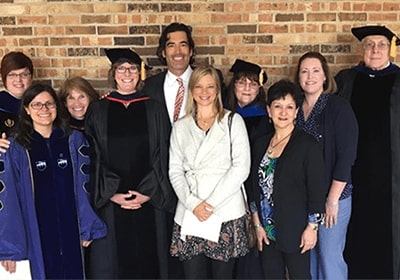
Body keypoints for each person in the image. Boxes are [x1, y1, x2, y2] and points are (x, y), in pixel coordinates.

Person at [84, 48, 176, 279]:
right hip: (111, 203)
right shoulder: (98, 109)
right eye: (121, 69)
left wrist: (148, 192)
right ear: (113, 73)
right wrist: (111, 193)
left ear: (140, 73)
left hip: (149, 202)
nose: (127, 73)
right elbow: (93, 155)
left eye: (133, 68)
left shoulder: (154, 108)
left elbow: (163, 153)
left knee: (151, 262)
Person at [0, 83, 107, 279]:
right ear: (27, 110)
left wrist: (86, 226)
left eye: (49, 104)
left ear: (57, 107)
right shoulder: (16, 148)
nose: (44, 110)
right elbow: (9, 199)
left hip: (71, 231)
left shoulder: (74, 140)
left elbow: (84, 187)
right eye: (37, 105)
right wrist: (10, 246)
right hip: (35, 233)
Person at [168, 65, 251, 279]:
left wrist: (210, 204)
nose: (204, 92)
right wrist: (194, 204)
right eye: (199, 86)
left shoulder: (233, 121)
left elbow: (241, 167)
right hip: (190, 211)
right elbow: (174, 170)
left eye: (210, 86)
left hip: (224, 211)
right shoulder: (180, 126)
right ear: (191, 89)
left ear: (217, 90)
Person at [335, 25, 400, 279]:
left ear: (390, 49)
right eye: (369, 45)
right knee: (355, 232)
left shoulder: (399, 79)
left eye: (381, 44)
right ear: (362, 49)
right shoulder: (347, 80)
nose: (375, 50)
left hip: (392, 174)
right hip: (352, 175)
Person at [247, 79, 325, 279]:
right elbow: (253, 187)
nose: (283, 112)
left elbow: (316, 189)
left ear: (296, 111)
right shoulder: (260, 143)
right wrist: (257, 225)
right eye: (278, 106)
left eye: (289, 107)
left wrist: (312, 228)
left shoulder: (307, 145)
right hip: (267, 231)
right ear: (269, 110)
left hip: (296, 230)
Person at [294, 51, 358, 280]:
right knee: (308, 257)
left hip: (335, 199)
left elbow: (346, 156)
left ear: (324, 77)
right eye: (304, 71)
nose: (309, 76)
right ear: (298, 77)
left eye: (315, 71)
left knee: (329, 258)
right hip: (305, 199)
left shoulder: (338, 107)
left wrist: (332, 200)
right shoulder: (295, 110)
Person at [225, 59, 273, 279]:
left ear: (259, 88)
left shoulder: (267, 117)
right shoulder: (222, 115)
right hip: (227, 187)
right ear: (233, 86)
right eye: (241, 83)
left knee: (254, 243)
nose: (246, 88)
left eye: (252, 84)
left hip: (255, 185)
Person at [0, 51, 33, 152]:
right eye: (12, 75)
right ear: (4, 78)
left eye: (24, 74)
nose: (18, 79)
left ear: (31, 77)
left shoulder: (41, 103)